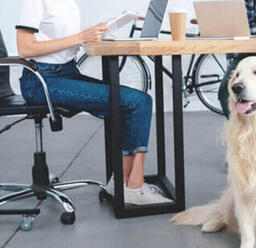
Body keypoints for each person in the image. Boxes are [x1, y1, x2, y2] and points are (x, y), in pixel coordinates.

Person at [16, 0, 169, 205]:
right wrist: (80, 37)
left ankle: (123, 182)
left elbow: (60, 40)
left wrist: (96, 33)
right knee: (138, 102)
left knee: (132, 103)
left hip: (67, 73)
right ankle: (134, 186)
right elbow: (24, 48)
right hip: (41, 82)